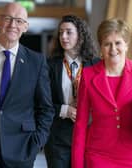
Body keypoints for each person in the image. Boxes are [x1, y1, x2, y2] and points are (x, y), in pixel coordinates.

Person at [71, 18, 132, 168]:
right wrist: (77, 164)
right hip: (98, 155)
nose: (113, 49)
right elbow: (81, 124)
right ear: (101, 48)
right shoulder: (88, 75)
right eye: (107, 44)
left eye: (118, 43)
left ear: (126, 45)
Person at [0, 2, 54, 168]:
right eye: (8, 19)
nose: (12, 25)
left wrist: (36, 144)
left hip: (21, 150)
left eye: (19, 21)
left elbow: (45, 108)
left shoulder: (36, 61)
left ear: (25, 27)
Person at [44, 15, 99, 168]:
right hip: (58, 140)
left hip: (88, 136)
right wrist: (65, 110)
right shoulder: (49, 65)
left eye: (69, 32)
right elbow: (42, 103)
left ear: (80, 35)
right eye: (61, 32)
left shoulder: (96, 65)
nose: (63, 36)